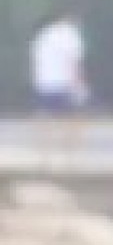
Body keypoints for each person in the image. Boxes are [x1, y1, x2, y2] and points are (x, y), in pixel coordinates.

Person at [29, 12, 87, 151]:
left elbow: (36, 59)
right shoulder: (71, 35)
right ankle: (71, 148)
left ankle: (44, 147)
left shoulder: (44, 35)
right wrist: (78, 83)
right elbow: (72, 61)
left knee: (44, 114)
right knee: (73, 115)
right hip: (64, 81)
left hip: (43, 81)